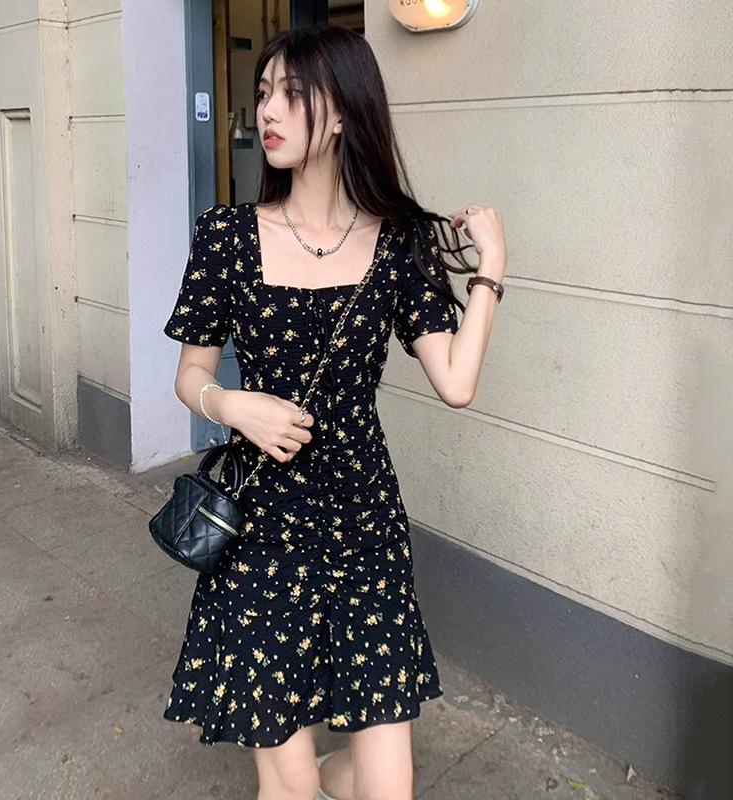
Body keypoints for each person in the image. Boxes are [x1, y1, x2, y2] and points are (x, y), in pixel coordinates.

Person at [160, 21, 506, 800]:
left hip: (364, 521)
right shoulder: (226, 237)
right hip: (261, 529)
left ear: (344, 111)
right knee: (287, 788)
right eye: (263, 92)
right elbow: (191, 374)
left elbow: (456, 382)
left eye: (292, 93)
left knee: (387, 786)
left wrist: (491, 270)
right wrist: (232, 405)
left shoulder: (400, 244)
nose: (267, 109)